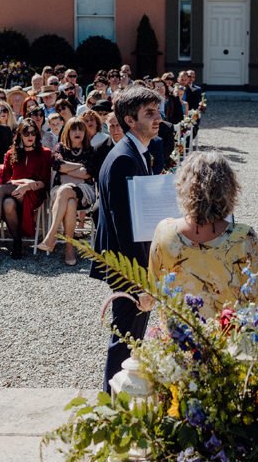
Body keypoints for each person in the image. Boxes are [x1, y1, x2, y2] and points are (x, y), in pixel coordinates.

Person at [94, 86, 166, 391]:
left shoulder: (138, 151)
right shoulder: (124, 158)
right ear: (129, 119)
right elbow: (125, 226)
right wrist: (140, 279)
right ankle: (112, 400)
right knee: (124, 338)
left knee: (131, 335)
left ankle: (122, 395)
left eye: (157, 111)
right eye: (149, 113)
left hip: (133, 260)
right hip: (128, 264)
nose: (158, 118)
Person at [148, 152, 258, 317]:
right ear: (230, 190)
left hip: (179, 334)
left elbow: (154, 286)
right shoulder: (243, 237)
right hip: (227, 335)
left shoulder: (164, 231)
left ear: (183, 187)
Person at [35, 117, 100, 266]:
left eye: (80, 129)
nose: (77, 132)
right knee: (69, 201)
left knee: (66, 191)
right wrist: (78, 167)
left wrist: (67, 170)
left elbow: (88, 172)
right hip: (60, 191)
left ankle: (51, 236)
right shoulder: (60, 148)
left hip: (84, 191)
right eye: (73, 129)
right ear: (68, 132)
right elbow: (58, 165)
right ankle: (69, 248)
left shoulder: (91, 150)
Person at [0, 119, 54, 258]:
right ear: (20, 135)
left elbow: (45, 182)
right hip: (13, 192)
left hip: (34, 194)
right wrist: (24, 183)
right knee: (7, 203)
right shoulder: (11, 153)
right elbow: (6, 179)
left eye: (33, 133)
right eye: (26, 133)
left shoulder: (45, 153)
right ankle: (17, 242)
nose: (30, 136)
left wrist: (28, 187)